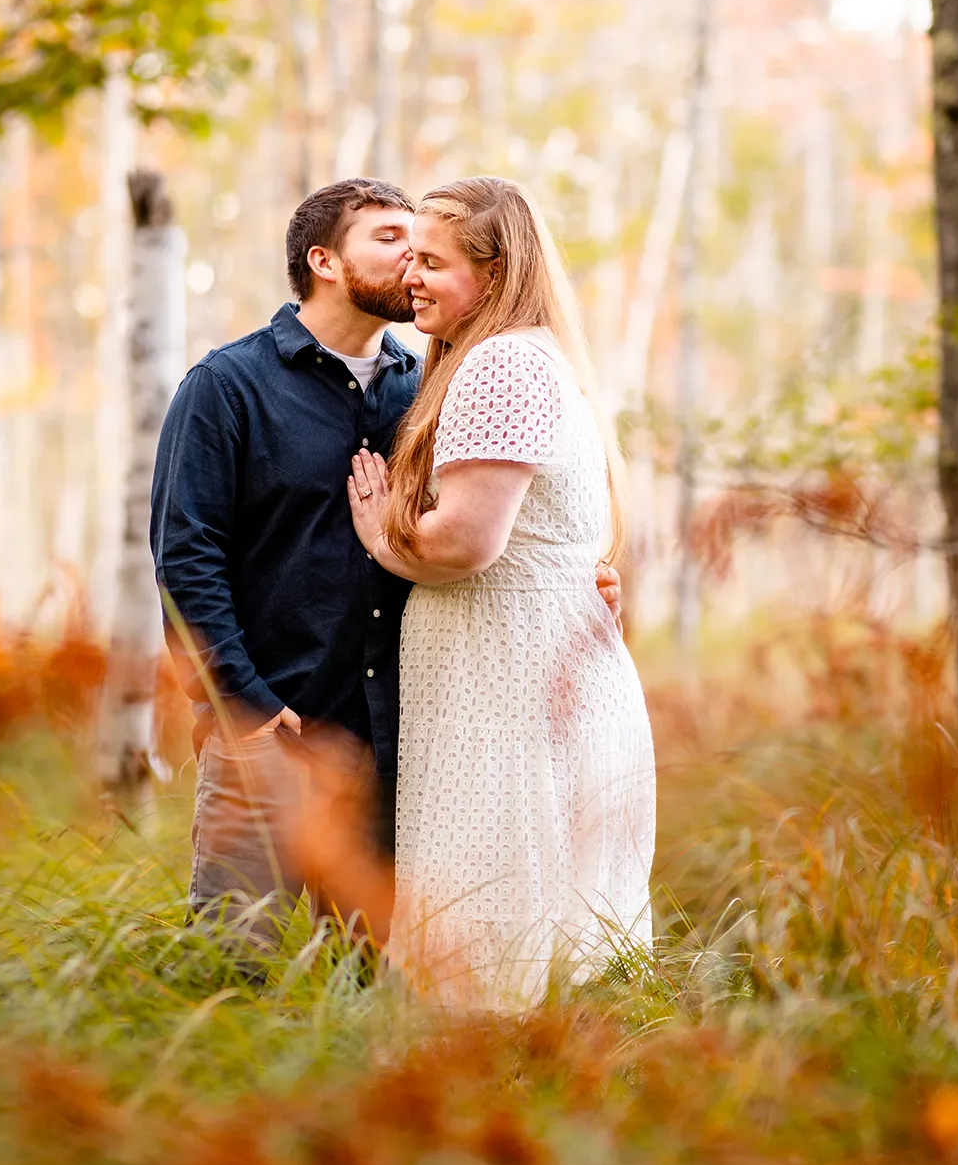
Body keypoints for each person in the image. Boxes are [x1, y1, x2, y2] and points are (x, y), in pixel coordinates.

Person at [150, 173, 624, 968]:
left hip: (396, 747)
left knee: (371, 983)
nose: (412, 263)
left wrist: (575, 577)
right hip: (270, 735)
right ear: (324, 261)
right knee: (231, 972)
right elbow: (184, 558)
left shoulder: (430, 384)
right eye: (390, 240)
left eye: (425, 248)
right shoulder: (226, 387)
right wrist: (245, 708)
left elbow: (493, 516)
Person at [346, 175, 655, 1006]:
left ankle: (490, 1104)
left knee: (490, 925)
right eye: (406, 255)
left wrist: (380, 531)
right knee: (538, 926)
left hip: (507, 684)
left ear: (495, 271)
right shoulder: (523, 358)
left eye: (433, 261)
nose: (410, 275)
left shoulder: (501, 363)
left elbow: (465, 542)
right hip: (523, 669)